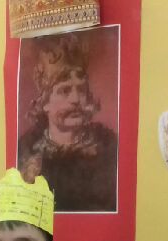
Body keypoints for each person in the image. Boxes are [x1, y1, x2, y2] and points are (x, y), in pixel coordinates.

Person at [16, 33, 118, 212]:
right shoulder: (25, 151)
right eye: (64, 91)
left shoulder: (109, 149)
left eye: (81, 89)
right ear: (44, 102)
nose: (76, 99)